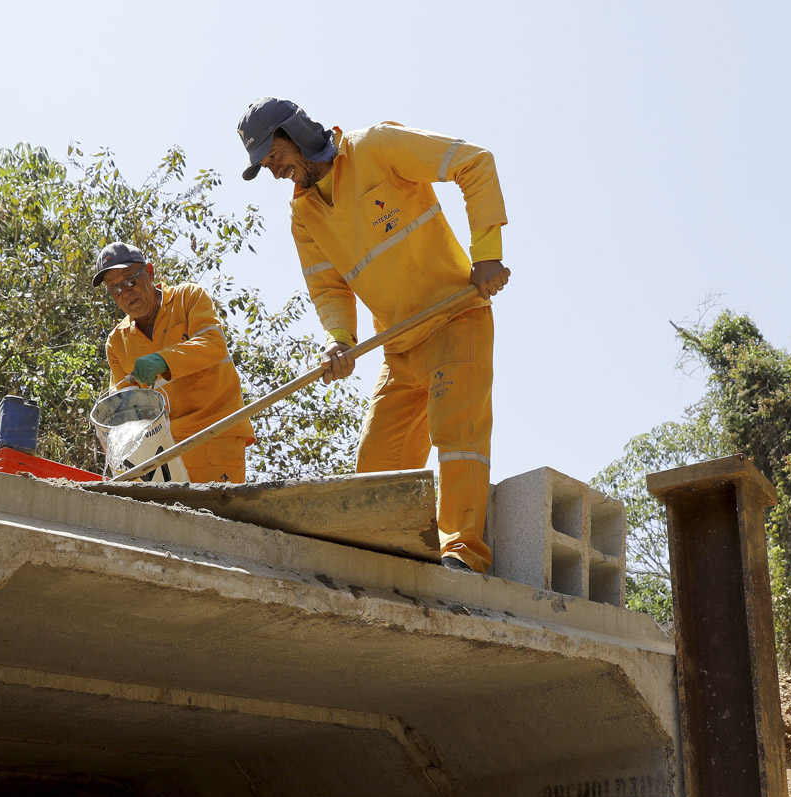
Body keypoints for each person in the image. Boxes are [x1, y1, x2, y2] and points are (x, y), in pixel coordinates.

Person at [237, 97, 509, 572]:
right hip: (399, 344)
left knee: (458, 435)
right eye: (264, 165)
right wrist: (340, 340)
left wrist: (486, 252)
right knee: (375, 470)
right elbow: (327, 286)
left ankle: (463, 553)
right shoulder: (304, 215)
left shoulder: (378, 147)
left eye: (274, 157)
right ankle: (386, 559)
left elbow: (475, 162)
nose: (275, 171)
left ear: (295, 132)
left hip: (455, 317)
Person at [97, 242, 251, 483]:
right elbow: (123, 412)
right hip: (162, 449)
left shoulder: (188, 298)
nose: (125, 293)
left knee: (213, 519)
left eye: (130, 280)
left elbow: (213, 344)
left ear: (149, 272)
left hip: (214, 435)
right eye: (114, 289)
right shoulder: (117, 342)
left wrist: (163, 359)